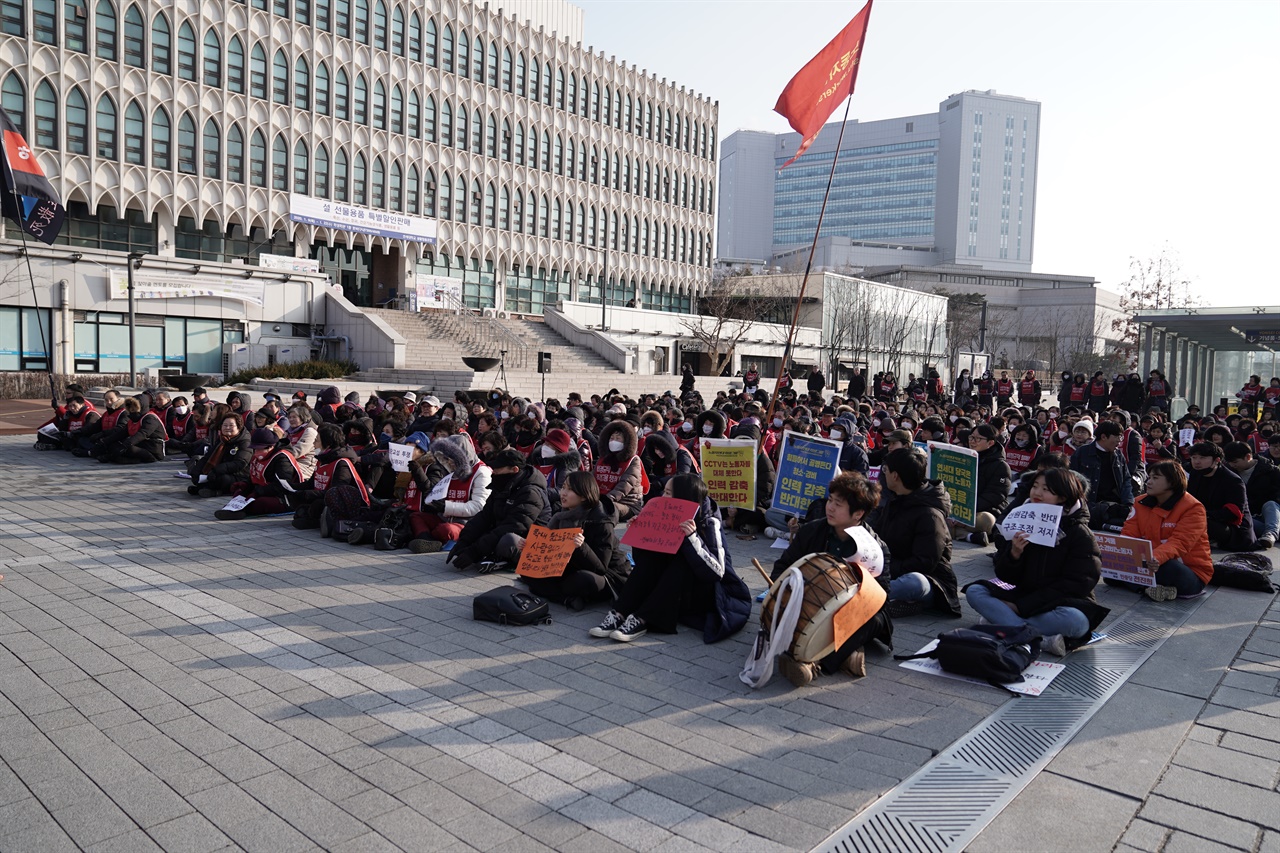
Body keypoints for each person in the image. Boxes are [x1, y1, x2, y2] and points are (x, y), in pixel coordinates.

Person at [590, 474, 751, 644]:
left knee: (682, 562)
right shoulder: (664, 516)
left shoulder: (709, 522)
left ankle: (643, 619)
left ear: (683, 497)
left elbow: (716, 572)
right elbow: (643, 562)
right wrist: (641, 534)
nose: (663, 498)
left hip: (705, 591)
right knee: (653, 557)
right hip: (671, 589)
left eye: (668, 493)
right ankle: (620, 612)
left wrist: (692, 538)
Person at [965, 468, 1109, 656]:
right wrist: (1014, 554)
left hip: (1061, 604)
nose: (1037, 493)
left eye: (1047, 489)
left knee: (1077, 621)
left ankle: (1005, 624)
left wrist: (1021, 606)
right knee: (975, 591)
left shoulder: (1080, 534)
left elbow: (1077, 584)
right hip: (1024, 595)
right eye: (1035, 486)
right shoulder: (1023, 520)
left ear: (1063, 496)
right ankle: (1034, 637)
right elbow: (1005, 575)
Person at [767, 472, 894, 686]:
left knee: (875, 620)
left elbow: (881, 596)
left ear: (858, 513)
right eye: (830, 500)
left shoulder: (875, 549)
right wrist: (783, 592)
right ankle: (847, 655)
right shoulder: (812, 531)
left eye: (839, 504)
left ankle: (816, 663)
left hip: (850, 612)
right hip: (808, 603)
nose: (830, 508)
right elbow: (783, 566)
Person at [516, 472, 631, 611]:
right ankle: (566, 598)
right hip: (570, 565)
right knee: (527, 570)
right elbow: (550, 549)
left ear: (583, 495)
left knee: (584, 580)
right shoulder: (561, 515)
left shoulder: (601, 521)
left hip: (606, 574)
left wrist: (581, 546)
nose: (563, 493)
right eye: (563, 487)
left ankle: (552, 592)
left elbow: (601, 567)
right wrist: (529, 547)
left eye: (569, 489)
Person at [872, 448, 962, 618]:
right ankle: (887, 600)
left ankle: (868, 598)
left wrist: (887, 569)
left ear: (896, 476)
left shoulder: (930, 515)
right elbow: (878, 535)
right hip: (891, 570)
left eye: (886, 470)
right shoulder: (895, 500)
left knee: (914, 583)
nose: (884, 475)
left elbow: (924, 562)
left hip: (931, 580)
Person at [1120, 460, 1213, 600]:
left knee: (1168, 568)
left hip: (1188, 570)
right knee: (1110, 571)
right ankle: (1152, 588)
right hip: (1148, 562)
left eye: (1155, 478)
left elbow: (1180, 542)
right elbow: (1129, 534)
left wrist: (1155, 557)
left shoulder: (1193, 507)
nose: (1148, 482)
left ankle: (1143, 586)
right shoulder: (1140, 502)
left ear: (1172, 481)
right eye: (1149, 477)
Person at [448, 448, 551, 571]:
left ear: (514, 470)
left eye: (498, 468)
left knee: (508, 540)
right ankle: (493, 556)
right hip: (503, 531)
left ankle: (504, 560)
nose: (494, 471)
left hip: (531, 543)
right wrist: (464, 541)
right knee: (480, 532)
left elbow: (515, 526)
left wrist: (474, 551)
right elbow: (484, 516)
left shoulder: (530, 492)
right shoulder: (502, 485)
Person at [1186, 441, 1256, 551]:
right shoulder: (1195, 474)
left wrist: (1204, 514)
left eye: (1202, 458)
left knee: (1198, 521)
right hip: (1203, 519)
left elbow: (1233, 513)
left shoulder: (1233, 480)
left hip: (1233, 530)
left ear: (1217, 460)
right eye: (1194, 457)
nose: (1197, 462)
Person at [1070, 420, 1134, 530]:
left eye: (1121, 437)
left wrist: (1128, 504)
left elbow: (1126, 480)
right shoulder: (1082, 453)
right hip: (1090, 507)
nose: (1120, 441)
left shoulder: (1118, 455)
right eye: (1117, 437)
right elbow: (1072, 481)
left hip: (1114, 507)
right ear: (1104, 437)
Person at [958, 423, 1012, 546]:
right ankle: (969, 537)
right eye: (971, 437)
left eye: (978, 439)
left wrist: (966, 513)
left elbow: (995, 495)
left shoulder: (1000, 466)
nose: (973, 441)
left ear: (990, 443)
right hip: (958, 509)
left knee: (985, 521)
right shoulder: (962, 459)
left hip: (983, 510)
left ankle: (956, 531)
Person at [1223, 441, 1280, 549]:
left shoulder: (1270, 470)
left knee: (1271, 505)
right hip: (1250, 516)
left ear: (1248, 456)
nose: (1232, 465)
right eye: (1230, 462)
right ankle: (1273, 532)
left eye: (1235, 462)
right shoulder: (1229, 474)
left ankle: (1271, 534)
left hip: (1270, 513)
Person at [592, 419, 645, 522]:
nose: (613, 441)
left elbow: (625, 484)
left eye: (618, 438)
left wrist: (607, 499)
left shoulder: (633, 460)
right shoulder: (603, 459)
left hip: (628, 504)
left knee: (606, 509)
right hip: (601, 499)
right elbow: (593, 478)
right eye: (611, 438)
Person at [188, 413, 252, 497]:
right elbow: (208, 456)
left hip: (239, 474)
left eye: (231, 425)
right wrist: (197, 469)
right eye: (225, 425)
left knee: (222, 479)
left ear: (239, 427)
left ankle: (215, 491)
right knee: (199, 474)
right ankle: (205, 488)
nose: (227, 428)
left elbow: (240, 463)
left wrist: (216, 470)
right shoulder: (222, 439)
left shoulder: (245, 442)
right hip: (219, 471)